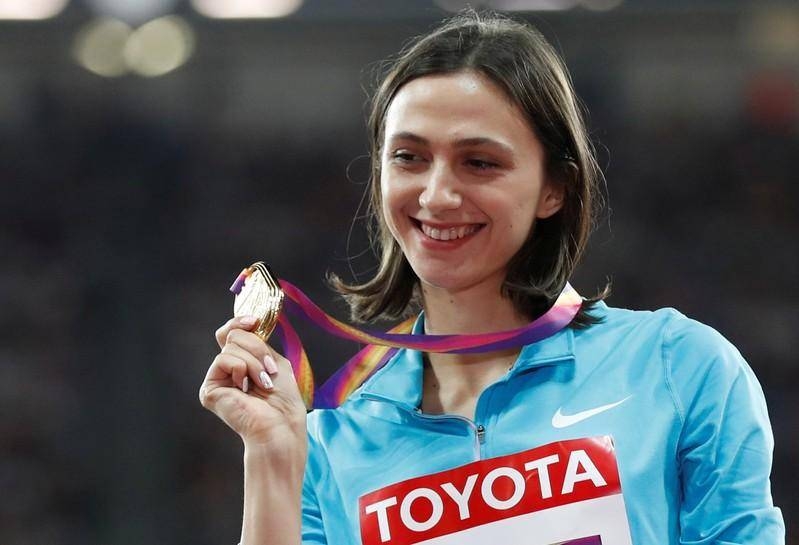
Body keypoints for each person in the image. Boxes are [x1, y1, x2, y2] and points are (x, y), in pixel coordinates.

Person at [199, 11, 784, 545]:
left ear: (554, 188)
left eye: (479, 162)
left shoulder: (678, 368)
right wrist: (273, 458)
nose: (436, 194)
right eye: (408, 157)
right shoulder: (332, 441)